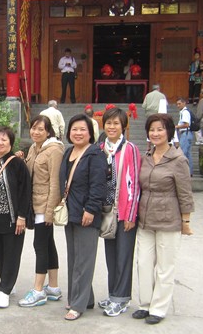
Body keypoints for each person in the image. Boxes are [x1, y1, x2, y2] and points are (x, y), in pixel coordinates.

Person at [134, 113, 194, 325]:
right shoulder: (146, 158)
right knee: (143, 263)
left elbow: (185, 194)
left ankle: (158, 308)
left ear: (169, 132)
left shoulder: (178, 160)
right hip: (145, 219)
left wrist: (186, 222)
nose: (155, 133)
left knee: (165, 267)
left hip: (169, 220)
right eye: (152, 130)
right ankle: (145, 304)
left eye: (160, 129)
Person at [59, 114, 107, 321]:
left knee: (84, 260)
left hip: (86, 213)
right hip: (70, 213)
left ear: (90, 133)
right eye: (74, 129)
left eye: (82, 129)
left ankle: (77, 304)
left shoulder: (95, 154)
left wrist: (91, 209)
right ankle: (84, 298)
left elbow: (98, 185)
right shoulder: (68, 152)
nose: (78, 133)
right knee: (74, 258)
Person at [97, 106, 141, 317]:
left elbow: (135, 183)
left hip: (124, 212)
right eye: (108, 123)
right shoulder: (100, 148)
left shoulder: (130, 149)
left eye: (116, 123)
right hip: (107, 212)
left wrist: (131, 214)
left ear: (123, 126)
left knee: (123, 256)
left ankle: (121, 298)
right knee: (111, 256)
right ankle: (113, 294)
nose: (112, 127)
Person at [18, 115, 64, 308]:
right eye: (33, 128)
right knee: (48, 244)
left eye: (40, 129)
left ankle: (38, 291)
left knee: (40, 245)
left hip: (44, 205)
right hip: (35, 203)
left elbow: (55, 183)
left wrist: (49, 212)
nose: (35, 132)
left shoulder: (54, 150)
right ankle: (53, 287)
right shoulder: (33, 147)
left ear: (48, 132)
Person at [0, 127, 31, 308]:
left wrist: (22, 216)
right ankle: (6, 285)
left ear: (11, 143)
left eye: (4, 139)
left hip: (13, 218)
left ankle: (4, 291)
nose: (0, 142)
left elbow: (25, 191)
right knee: (0, 253)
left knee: (12, 254)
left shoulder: (17, 164)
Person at [175, 98, 193, 175]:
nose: (178, 106)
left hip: (186, 133)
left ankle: (184, 171)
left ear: (184, 103)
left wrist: (177, 126)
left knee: (183, 152)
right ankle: (189, 171)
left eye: (179, 104)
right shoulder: (183, 112)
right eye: (177, 104)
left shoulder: (185, 112)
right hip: (186, 133)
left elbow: (187, 124)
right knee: (187, 153)